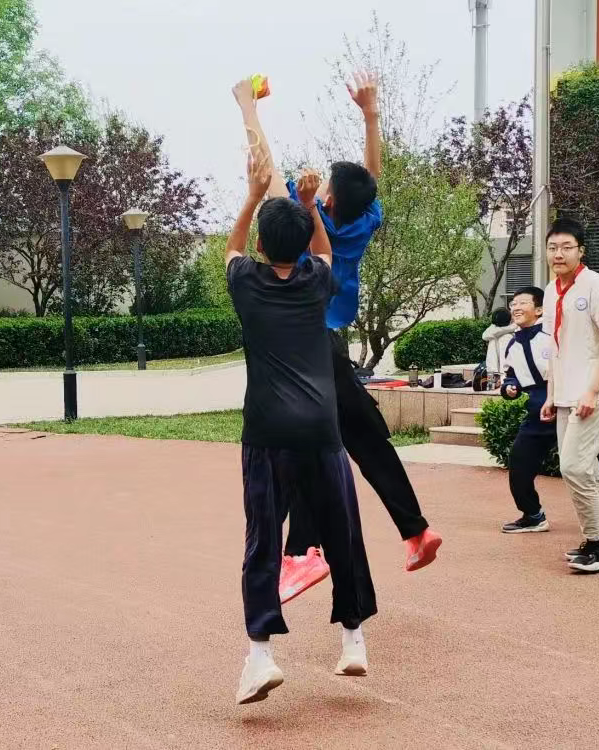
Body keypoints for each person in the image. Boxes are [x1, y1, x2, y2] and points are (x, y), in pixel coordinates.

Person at [232, 72, 441, 601]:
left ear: (326, 201)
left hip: (309, 347)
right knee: (363, 435)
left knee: (310, 440)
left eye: (325, 187)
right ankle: (416, 530)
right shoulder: (360, 220)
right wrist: (371, 115)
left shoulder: (307, 222)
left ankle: (304, 552)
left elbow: (267, 173)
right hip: (332, 341)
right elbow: (370, 177)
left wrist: (248, 109)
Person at [230, 147, 377, 706]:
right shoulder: (318, 280)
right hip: (321, 430)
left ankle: (261, 655)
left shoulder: (247, 283)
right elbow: (324, 250)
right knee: (342, 533)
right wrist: (312, 205)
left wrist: (252, 194)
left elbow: (232, 249)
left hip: (268, 434)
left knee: (264, 540)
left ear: (262, 247)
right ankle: (353, 640)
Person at [498, 286, 599, 541]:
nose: (515, 308)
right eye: (513, 304)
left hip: (571, 407)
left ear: (539, 310)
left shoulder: (554, 335)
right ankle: (533, 515)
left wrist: (586, 396)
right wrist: (509, 388)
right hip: (538, 414)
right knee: (519, 462)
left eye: (522, 303)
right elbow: (511, 375)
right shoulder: (511, 344)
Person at [540, 218, 599, 573]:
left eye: (566, 247)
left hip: (596, 391)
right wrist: (551, 394)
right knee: (583, 470)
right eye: (552, 248)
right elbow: (555, 346)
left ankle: (598, 544)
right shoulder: (551, 291)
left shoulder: (597, 285)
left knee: (574, 466)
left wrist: (591, 391)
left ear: (581, 251)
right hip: (565, 394)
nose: (558, 254)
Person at [482, 307, 517, 388]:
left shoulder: (491, 333)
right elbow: (505, 359)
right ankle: (503, 384)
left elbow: (484, 336)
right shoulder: (508, 335)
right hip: (504, 370)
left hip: (491, 368)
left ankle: (491, 385)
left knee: (491, 385)